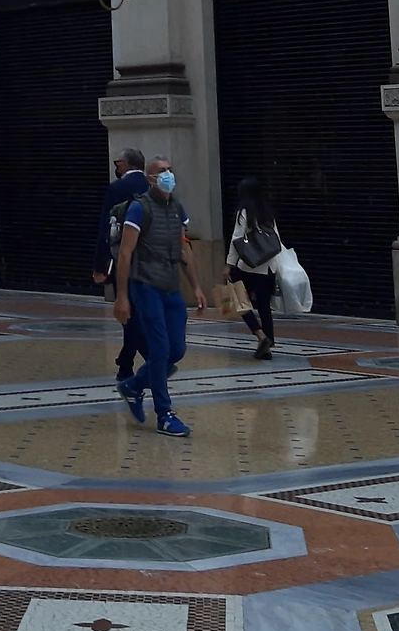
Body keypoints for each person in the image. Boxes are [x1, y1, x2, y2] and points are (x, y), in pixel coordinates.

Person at [112, 153, 207, 437]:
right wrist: (121, 296)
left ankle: (133, 385)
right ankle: (164, 414)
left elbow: (184, 249)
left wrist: (196, 286)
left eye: (170, 169)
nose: (167, 175)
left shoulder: (176, 208)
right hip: (146, 287)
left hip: (171, 287)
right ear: (150, 178)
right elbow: (125, 254)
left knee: (176, 350)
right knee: (160, 350)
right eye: (161, 171)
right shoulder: (139, 209)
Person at [92, 152, 150, 383]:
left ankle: (147, 359)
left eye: (117, 163)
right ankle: (126, 361)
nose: (115, 167)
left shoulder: (117, 188)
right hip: (150, 260)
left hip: (124, 258)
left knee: (128, 312)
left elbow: (107, 228)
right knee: (141, 312)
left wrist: (100, 263)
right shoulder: (151, 186)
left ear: (125, 164)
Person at [227, 175, 282, 361]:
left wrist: (229, 264)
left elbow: (236, 240)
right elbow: (276, 239)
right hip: (269, 267)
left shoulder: (244, 212)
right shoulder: (267, 212)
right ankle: (267, 347)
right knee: (264, 306)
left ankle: (260, 335)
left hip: (250, 266)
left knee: (238, 300)